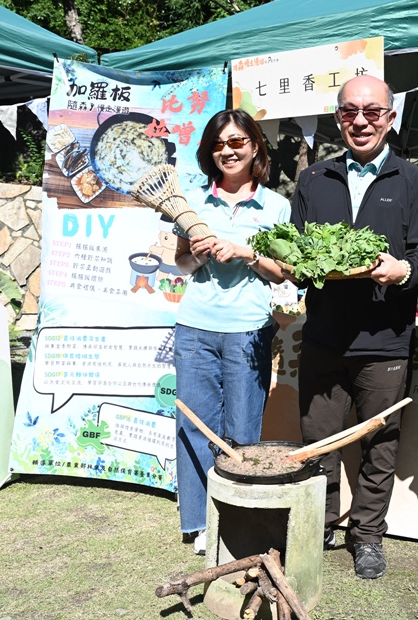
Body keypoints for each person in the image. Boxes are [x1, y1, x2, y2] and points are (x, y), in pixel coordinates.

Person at [290, 74, 418, 579]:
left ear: (390, 118)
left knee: (380, 443)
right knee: (320, 440)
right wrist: (292, 265)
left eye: (372, 111)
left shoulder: (413, 179)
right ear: (337, 117)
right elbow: (297, 252)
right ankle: (321, 525)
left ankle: (368, 535)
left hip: (385, 341)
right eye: (350, 111)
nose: (361, 120)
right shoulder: (314, 180)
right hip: (325, 336)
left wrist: (403, 271)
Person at [172, 109, 289, 556]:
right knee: (196, 425)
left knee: (242, 431)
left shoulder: (276, 206)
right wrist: (200, 254)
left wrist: (246, 252)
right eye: (220, 144)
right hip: (195, 328)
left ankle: (238, 517)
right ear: (210, 151)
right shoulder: (190, 204)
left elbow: (282, 272)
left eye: (238, 142)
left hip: (248, 331)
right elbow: (181, 263)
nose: (229, 150)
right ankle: (201, 521)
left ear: (256, 146)